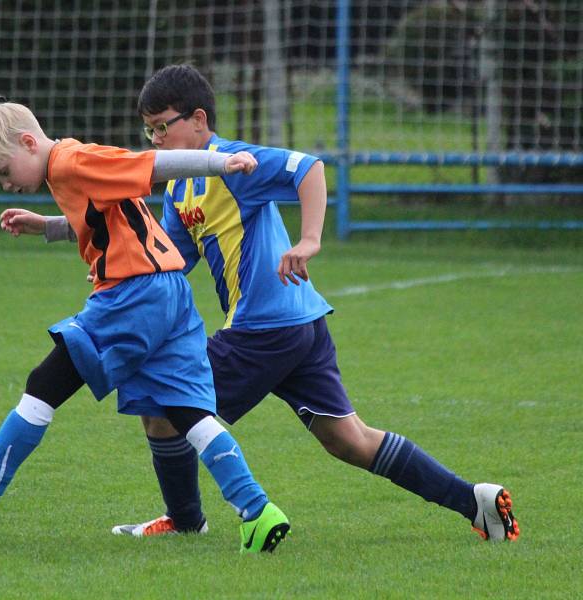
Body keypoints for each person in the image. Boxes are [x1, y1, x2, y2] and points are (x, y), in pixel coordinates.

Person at [105, 64, 518, 543]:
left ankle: (185, 522)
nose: (155, 139)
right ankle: (476, 501)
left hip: (264, 328)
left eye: (163, 126)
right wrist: (65, 230)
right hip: (299, 325)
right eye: (149, 130)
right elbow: (167, 259)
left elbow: (309, 168)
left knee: (160, 402)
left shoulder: (232, 161)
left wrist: (309, 239)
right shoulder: (181, 187)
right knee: (350, 440)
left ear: (198, 119)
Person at [0, 95, 292, 554]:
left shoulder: (73, 161)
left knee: (44, 382)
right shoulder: (65, 168)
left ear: (29, 143)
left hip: (133, 296)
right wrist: (47, 227)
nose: (6, 184)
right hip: (169, 292)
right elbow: (104, 217)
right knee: (188, 411)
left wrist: (221, 162)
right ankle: (257, 510)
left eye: (4, 173)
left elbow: (150, 165)